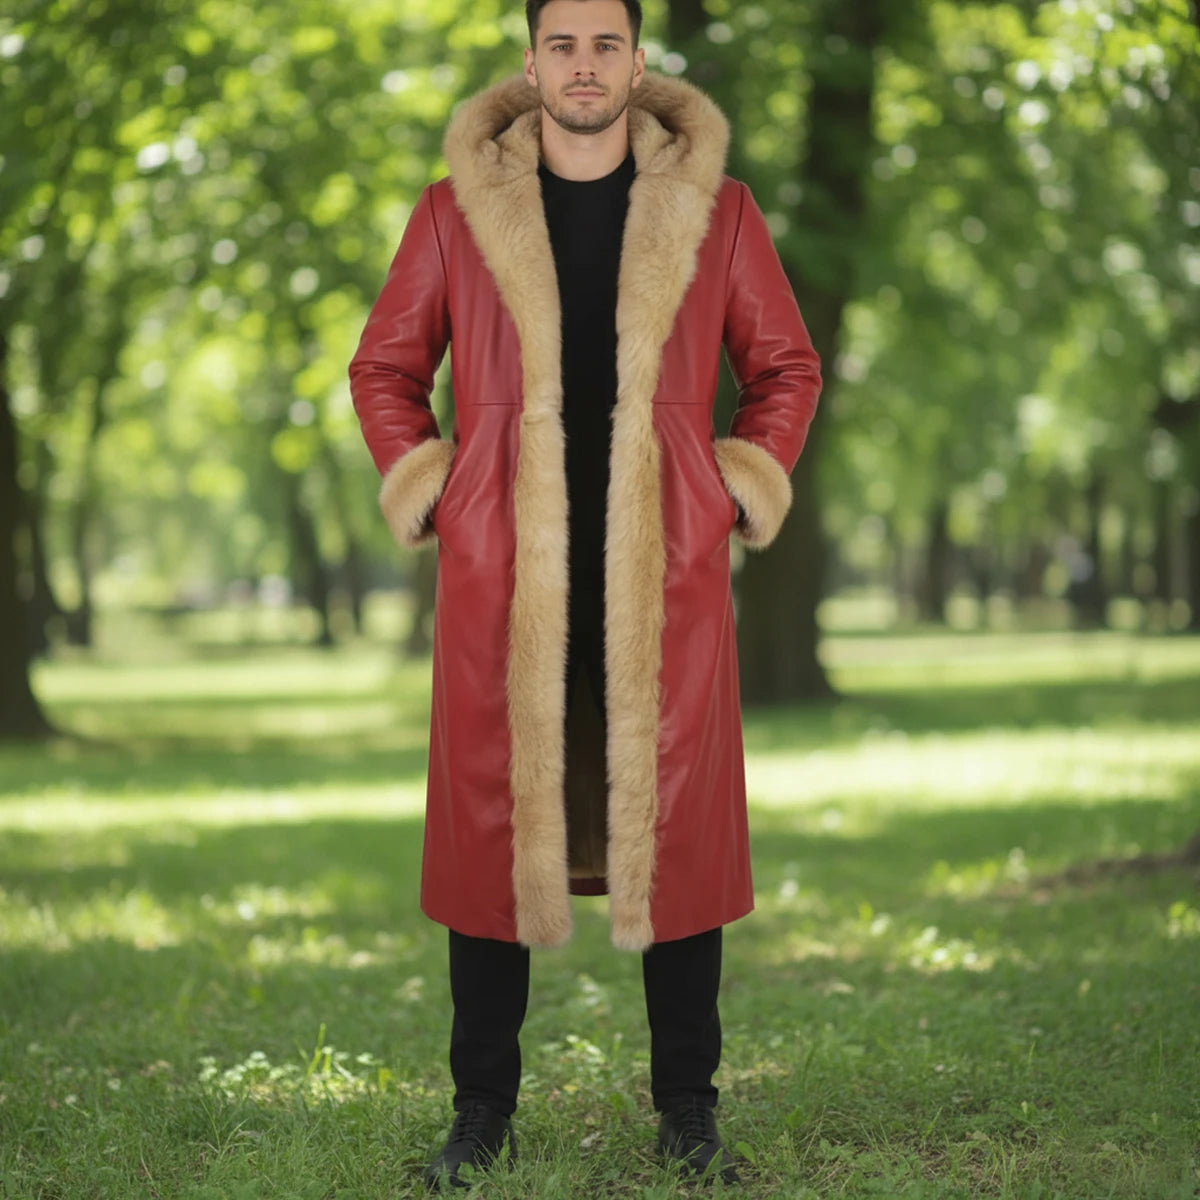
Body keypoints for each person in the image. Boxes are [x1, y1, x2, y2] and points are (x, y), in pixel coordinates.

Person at [348, 0, 821, 1188]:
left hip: (665, 560)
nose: (584, 64)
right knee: (489, 828)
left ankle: (690, 1112)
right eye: (562, 43)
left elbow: (785, 366)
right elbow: (387, 367)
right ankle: (478, 1113)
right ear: (531, 62)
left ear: (637, 60)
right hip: (506, 564)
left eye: (605, 42)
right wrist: (434, 483)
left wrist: (736, 479)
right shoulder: (456, 209)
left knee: (678, 831)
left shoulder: (719, 209)